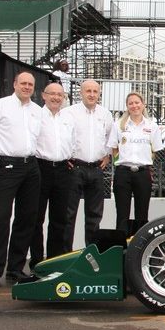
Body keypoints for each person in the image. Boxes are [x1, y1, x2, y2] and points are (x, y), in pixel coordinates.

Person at [0, 72, 42, 288]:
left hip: (31, 166)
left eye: (30, 84)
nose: (26, 87)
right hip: (7, 164)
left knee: (26, 218)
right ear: (14, 84)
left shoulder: (37, 111)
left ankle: (15, 269)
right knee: (1, 216)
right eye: (23, 83)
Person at [29, 83, 75, 269]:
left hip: (64, 170)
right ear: (43, 95)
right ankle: (37, 262)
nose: (56, 98)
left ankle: (54, 262)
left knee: (60, 219)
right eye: (52, 94)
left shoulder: (68, 118)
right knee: (36, 218)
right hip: (41, 168)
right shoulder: (36, 116)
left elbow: (72, 142)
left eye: (60, 95)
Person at [63, 80, 113, 250]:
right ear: (81, 93)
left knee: (94, 215)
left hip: (97, 169)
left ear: (99, 94)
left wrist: (107, 156)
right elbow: (62, 136)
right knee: (68, 215)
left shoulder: (105, 114)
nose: (92, 94)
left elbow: (110, 138)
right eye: (88, 91)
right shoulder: (69, 113)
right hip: (74, 169)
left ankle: (92, 254)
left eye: (95, 91)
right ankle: (64, 255)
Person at [106, 93, 163, 234]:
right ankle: (121, 247)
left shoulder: (152, 126)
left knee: (142, 214)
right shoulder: (118, 125)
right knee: (122, 214)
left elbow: (155, 150)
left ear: (143, 104)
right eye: (131, 103)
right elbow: (114, 148)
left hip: (143, 173)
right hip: (123, 173)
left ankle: (139, 246)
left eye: (137, 102)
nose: (134, 106)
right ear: (127, 106)